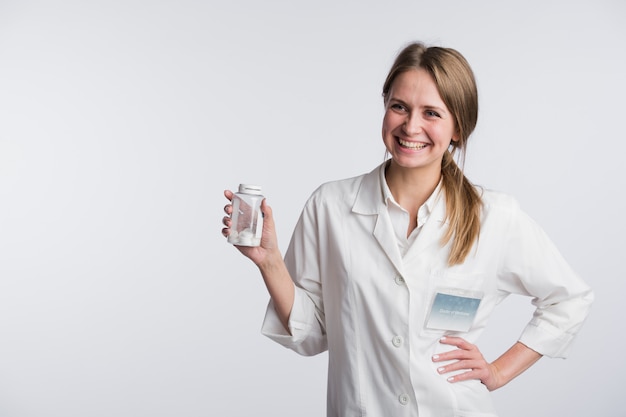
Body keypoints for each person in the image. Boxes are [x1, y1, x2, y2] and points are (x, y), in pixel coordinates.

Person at [220, 42, 593, 417]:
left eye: (431, 113)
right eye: (399, 106)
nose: (411, 126)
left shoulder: (493, 217)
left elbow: (569, 299)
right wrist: (269, 262)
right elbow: (311, 333)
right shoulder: (331, 206)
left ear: (459, 127)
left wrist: (498, 371)